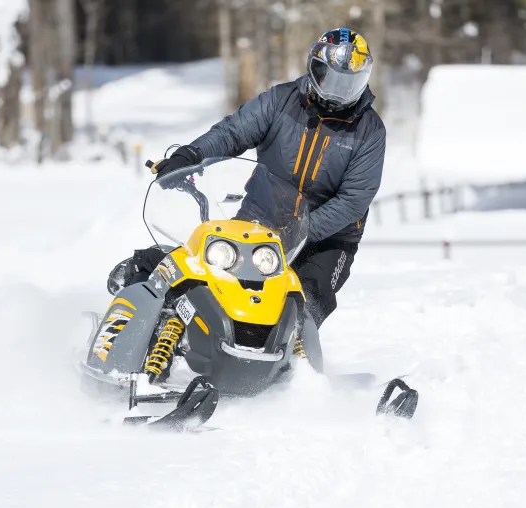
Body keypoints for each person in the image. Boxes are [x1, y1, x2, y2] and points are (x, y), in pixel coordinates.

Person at [127, 28, 386, 369]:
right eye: (334, 80)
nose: (340, 94)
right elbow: (234, 132)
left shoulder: (369, 130)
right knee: (209, 270)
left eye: (350, 84)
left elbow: (354, 199)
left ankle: (295, 378)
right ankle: (157, 342)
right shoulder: (281, 101)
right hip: (263, 217)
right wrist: (191, 154)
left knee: (306, 297)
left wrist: (301, 229)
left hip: (328, 237)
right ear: (315, 70)